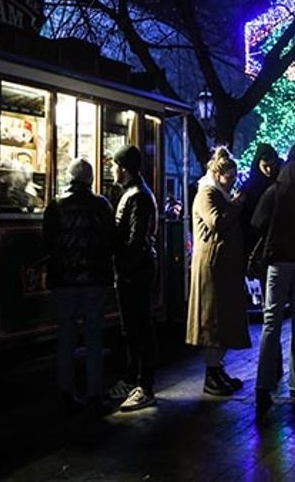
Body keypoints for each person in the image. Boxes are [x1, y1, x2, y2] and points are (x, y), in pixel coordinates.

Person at [250, 138, 295, 415]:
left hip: (279, 261)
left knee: (272, 322)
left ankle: (263, 386)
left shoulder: (277, 190)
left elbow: (257, 222)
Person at [42, 158, 114, 414]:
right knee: (94, 337)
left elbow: (48, 242)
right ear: (91, 179)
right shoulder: (102, 205)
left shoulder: (56, 205)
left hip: (64, 281)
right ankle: (95, 393)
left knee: (66, 337)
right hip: (95, 280)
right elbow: (110, 240)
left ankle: (66, 391)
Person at [187, 147, 251, 397]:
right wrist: (236, 205)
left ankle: (217, 369)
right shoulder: (207, 193)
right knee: (213, 320)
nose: (233, 180)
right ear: (218, 173)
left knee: (221, 320)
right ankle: (212, 373)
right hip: (213, 268)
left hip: (223, 267)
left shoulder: (217, 192)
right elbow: (217, 223)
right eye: (229, 176)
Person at [108, 145, 160, 412]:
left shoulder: (137, 196)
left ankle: (144, 385)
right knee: (133, 327)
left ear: (123, 169)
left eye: (114, 165)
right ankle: (133, 378)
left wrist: (123, 264)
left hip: (135, 271)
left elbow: (134, 239)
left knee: (139, 326)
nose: (111, 169)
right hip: (134, 269)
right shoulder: (135, 192)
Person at [239, 143, 281, 308]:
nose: (269, 170)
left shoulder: (277, 184)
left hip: (271, 246)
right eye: (265, 166)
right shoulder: (251, 187)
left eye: (272, 165)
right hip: (257, 247)